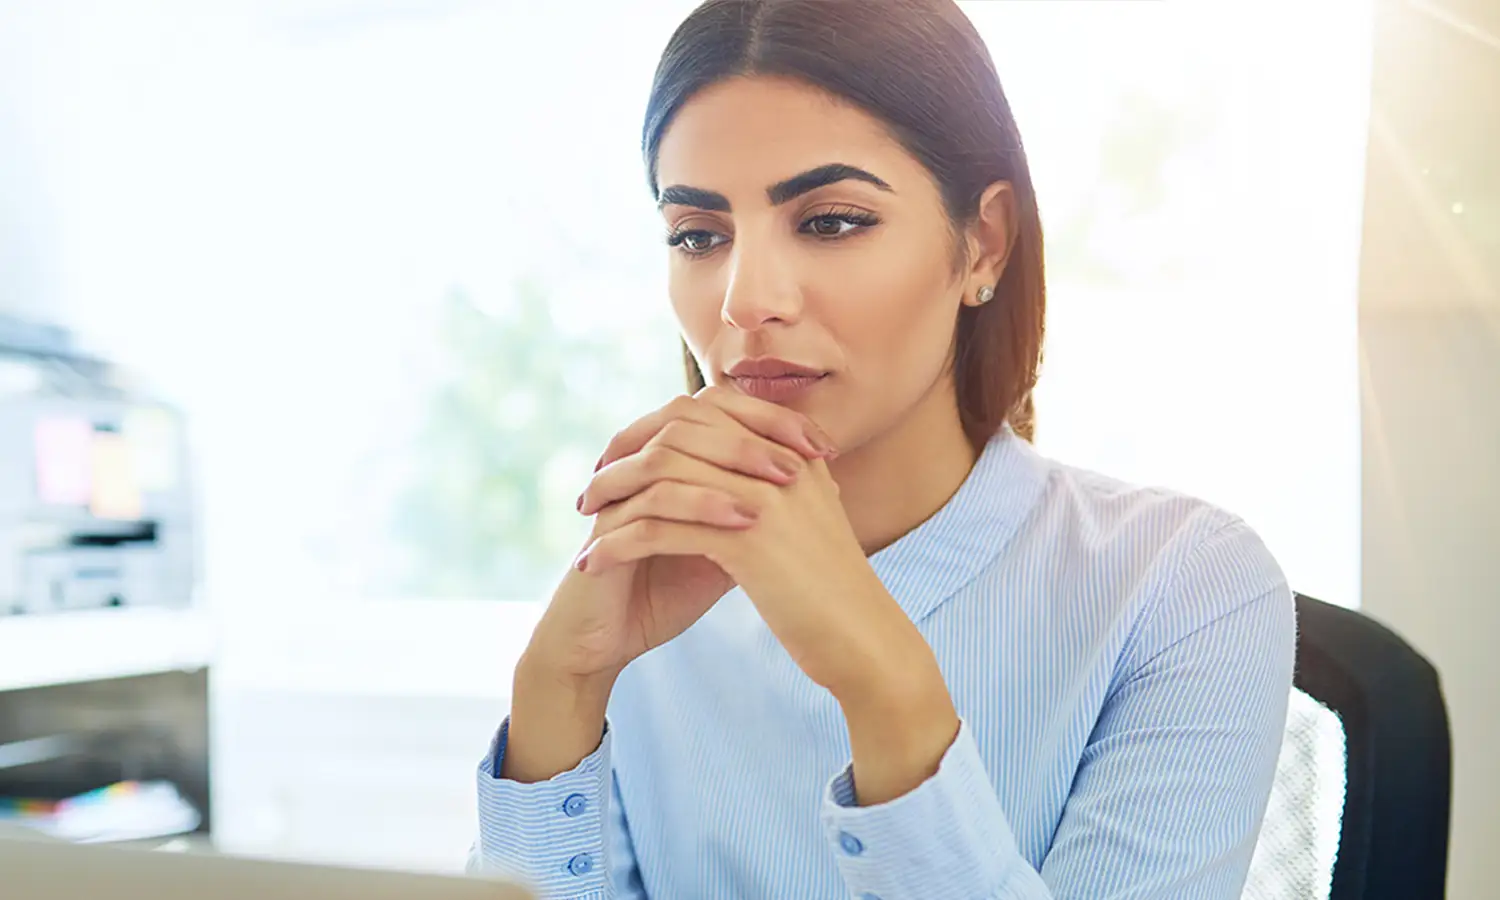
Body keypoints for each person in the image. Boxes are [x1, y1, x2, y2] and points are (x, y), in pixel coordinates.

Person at [468, 1, 1295, 897]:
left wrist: (884, 687)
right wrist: (557, 695)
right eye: (699, 236)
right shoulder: (646, 588)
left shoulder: (1182, 584)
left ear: (984, 242)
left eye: (829, 221)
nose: (747, 300)